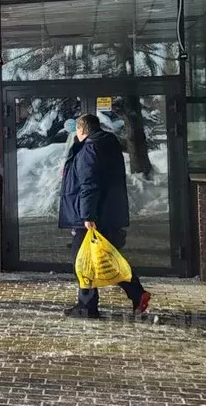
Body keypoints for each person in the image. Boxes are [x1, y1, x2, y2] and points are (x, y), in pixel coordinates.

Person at [60, 113, 151, 319]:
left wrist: (87, 215)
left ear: (82, 129)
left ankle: (88, 307)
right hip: (106, 213)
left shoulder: (91, 148)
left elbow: (89, 183)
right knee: (104, 259)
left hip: (94, 217)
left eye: (77, 130)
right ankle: (136, 294)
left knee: (82, 261)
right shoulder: (106, 144)